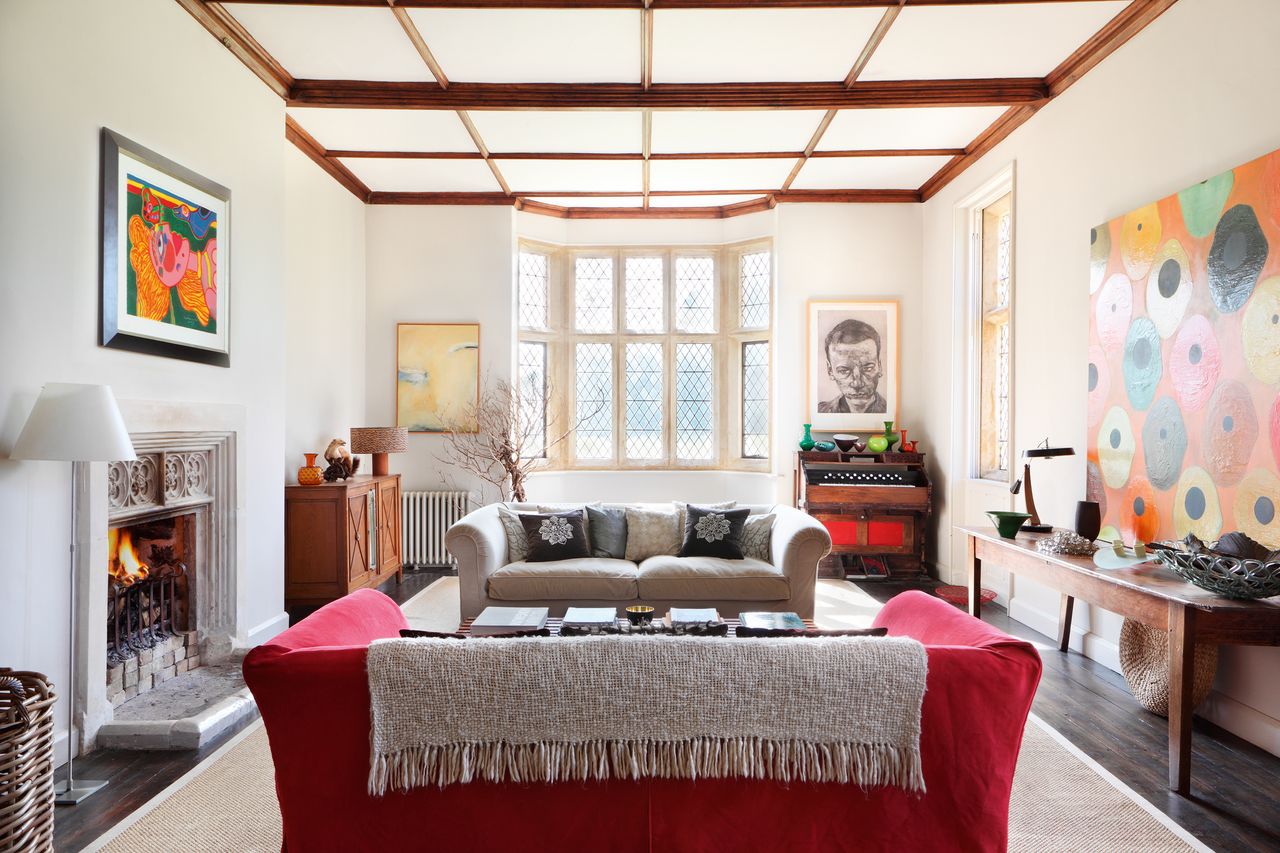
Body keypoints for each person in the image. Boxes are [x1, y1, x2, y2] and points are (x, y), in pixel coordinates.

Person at [818, 318, 887, 414]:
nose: (857, 384)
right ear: (830, 370)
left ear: (879, 367)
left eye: (868, 368)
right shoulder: (821, 412)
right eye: (843, 371)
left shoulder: (890, 411)